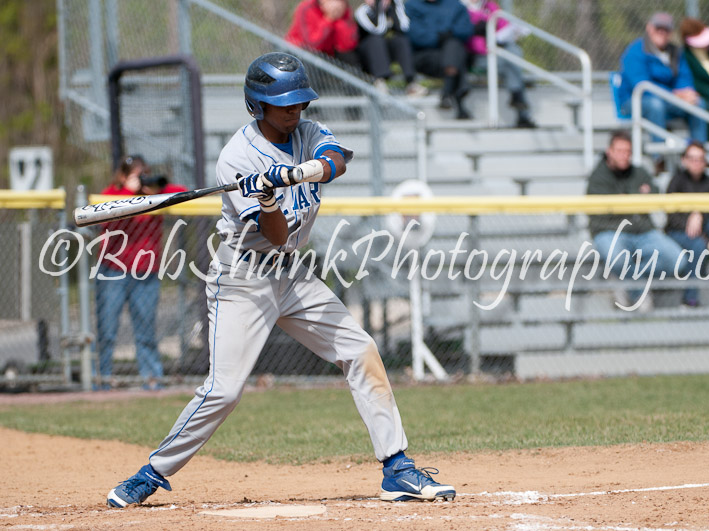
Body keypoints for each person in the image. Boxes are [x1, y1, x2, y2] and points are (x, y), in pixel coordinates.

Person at [106, 52, 456, 508]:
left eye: (298, 103)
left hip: (291, 274)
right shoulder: (237, 158)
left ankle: (397, 468)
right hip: (242, 279)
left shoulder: (305, 132)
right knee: (224, 390)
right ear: (258, 105)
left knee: (359, 349)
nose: (294, 111)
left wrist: (304, 170)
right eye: (283, 104)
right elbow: (275, 234)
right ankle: (151, 473)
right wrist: (267, 197)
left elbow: (336, 160)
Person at [94, 155, 187, 390]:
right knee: (107, 331)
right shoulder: (111, 195)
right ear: (123, 176)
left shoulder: (153, 198)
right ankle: (101, 380)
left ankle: (152, 380)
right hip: (112, 271)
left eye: (143, 173)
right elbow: (105, 211)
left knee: (146, 331)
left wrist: (156, 186)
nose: (140, 179)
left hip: (145, 273)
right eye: (135, 175)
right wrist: (128, 191)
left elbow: (183, 191)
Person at [587, 130, 689, 310]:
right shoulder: (598, 177)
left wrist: (624, 201)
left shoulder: (638, 171)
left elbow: (656, 195)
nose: (624, 155)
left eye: (628, 151)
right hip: (610, 232)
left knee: (677, 261)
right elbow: (601, 217)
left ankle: (626, 279)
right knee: (617, 259)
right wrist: (637, 197)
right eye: (619, 150)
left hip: (643, 231)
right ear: (609, 151)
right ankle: (640, 292)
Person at [618, 12, 708, 145]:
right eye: (658, 28)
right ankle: (659, 157)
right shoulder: (635, 51)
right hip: (635, 101)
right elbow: (642, 86)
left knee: (697, 103)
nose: (662, 32)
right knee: (655, 105)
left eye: (666, 29)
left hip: (669, 99)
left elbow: (684, 77)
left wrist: (686, 92)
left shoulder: (676, 52)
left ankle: (698, 152)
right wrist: (675, 95)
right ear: (649, 28)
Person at [665, 141, 709, 307]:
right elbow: (671, 217)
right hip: (678, 231)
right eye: (692, 158)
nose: (696, 163)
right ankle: (690, 298)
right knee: (698, 246)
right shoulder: (676, 181)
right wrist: (690, 220)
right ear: (684, 160)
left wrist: (699, 215)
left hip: (704, 228)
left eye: (700, 159)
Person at [461, 0, 536, 128]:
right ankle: (519, 104)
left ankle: (519, 102)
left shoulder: (489, 5)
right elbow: (461, 34)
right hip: (474, 57)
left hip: (494, 53)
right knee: (512, 61)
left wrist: (509, 33)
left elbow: (504, 25)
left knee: (513, 51)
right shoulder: (458, 7)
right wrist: (480, 34)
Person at [406, 0, 474, 119]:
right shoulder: (411, 5)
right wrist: (441, 35)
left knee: (453, 47)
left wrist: (449, 34)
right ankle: (458, 99)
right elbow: (416, 35)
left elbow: (466, 30)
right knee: (455, 52)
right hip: (425, 55)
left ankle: (447, 94)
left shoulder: (456, 5)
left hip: (450, 55)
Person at [354, 0, 428, 97]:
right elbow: (378, 30)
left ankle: (410, 82)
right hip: (368, 53)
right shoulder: (362, 11)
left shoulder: (394, 7)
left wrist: (395, 7)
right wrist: (379, 10)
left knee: (401, 40)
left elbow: (403, 27)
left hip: (386, 50)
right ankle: (380, 82)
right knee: (376, 41)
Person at [286, 0, 361, 69]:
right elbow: (312, 44)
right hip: (298, 53)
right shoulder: (307, 7)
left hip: (326, 57)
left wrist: (339, 19)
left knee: (351, 58)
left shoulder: (343, 9)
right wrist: (328, 19)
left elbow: (348, 45)